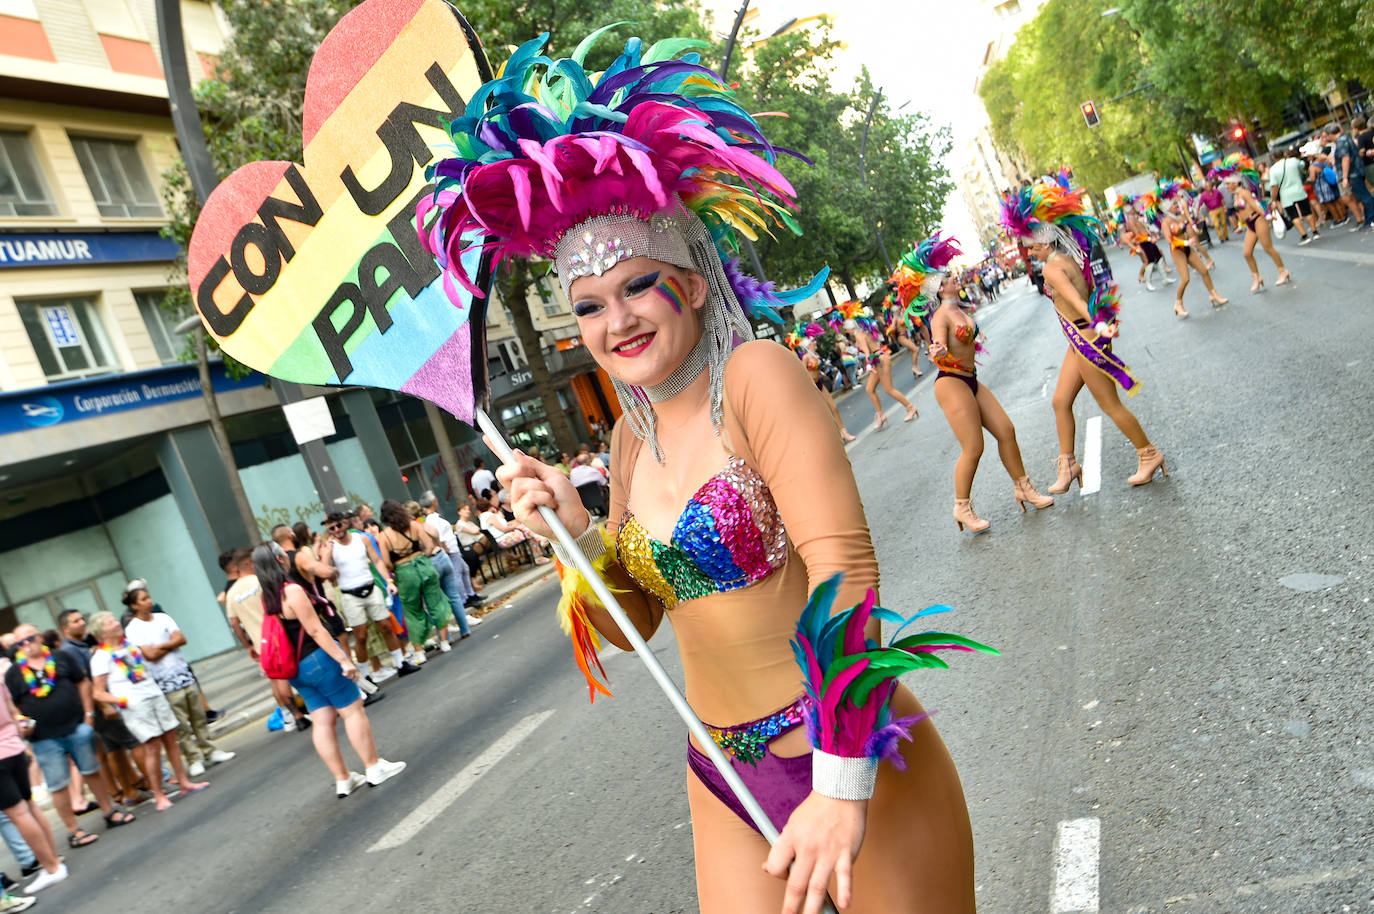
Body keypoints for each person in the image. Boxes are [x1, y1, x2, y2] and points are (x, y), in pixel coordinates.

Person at [422, 32, 995, 913]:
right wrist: (575, 537)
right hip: (720, 769)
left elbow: (846, 569)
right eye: (588, 306)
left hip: (844, 751)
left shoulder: (757, 376)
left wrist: (842, 783)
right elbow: (637, 626)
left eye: (636, 287)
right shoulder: (629, 438)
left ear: (690, 285)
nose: (616, 322)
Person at [1001, 182, 1166, 490]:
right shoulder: (1070, 259)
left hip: (1087, 338)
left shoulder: (1051, 268)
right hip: (1081, 338)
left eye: (1033, 247)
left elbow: (1077, 300)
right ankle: (1068, 465)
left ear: (1046, 242)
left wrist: (1098, 325)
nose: (1030, 253)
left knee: (1110, 404)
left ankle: (1149, 453)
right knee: (1060, 401)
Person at [892, 234, 1053, 532]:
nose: (955, 278)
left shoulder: (958, 308)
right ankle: (962, 507)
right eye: (949, 278)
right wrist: (938, 350)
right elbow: (938, 343)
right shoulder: (941, 315)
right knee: (973, 447)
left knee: (1006, 430)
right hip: (951, 382)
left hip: (970, 379)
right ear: (940, 288)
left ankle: (1023, 488)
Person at [250, 545, 405, 798]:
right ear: (279, 559)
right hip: (319, 660)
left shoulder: (268, 597)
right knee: (352, 712)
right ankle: (373, 767)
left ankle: (343, 779)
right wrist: (343, 659)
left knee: (322, 721)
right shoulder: (292, 591)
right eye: (284, 556)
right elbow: (315, 630)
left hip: (296, 670)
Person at [6, 624, 134, 852]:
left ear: (40, 637)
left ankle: (109, 812)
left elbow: (83, 683)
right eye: (20, 643)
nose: (26, 645)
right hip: (43, 737)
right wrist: (21, 722)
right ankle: (74, 830)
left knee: (91, 770)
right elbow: (12, 705)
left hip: (76, 727)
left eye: (30, 638)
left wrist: (89, 716)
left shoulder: (61, 657)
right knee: (58, 785)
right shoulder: (14, 673)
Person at [88, 612, 208, 812]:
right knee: (152, 746)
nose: (116, 623)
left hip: (154, 694)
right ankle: (159, 795)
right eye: (110, 623)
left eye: (114, 620)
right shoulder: (101, 657)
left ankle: (184, 782)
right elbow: (98, 692)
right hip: (135, 704)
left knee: (171, 739)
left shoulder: (130, 646)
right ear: (101, 633)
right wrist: (121, 701)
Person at [121, 588, 233, 778]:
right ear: (134, 605)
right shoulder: (133, 628)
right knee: (181, 725)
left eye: (148, 597)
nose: (149, 601)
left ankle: (209, 750)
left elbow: (181, 639)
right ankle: (193, 759)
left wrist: (160, 646)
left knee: (198, 716)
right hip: (164, 682)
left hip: (184, 674)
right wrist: (170, 644)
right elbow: (149, 655)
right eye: (144, 599)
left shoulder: (163, 618)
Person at [318, 512, 423, 674]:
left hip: (370, 587)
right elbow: (325, 575)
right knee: (361, 636)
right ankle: (366, 674)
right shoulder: (330, 548)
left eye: (339, 525)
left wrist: (388, 581)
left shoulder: (362, 539)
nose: (336, 530)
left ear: (346, 523)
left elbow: (377, 561)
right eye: (331, 528)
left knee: (386, 626)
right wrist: (326, 555)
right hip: (350, 595)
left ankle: (401, 663)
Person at [224, 549, 312, 732]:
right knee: (291, 673)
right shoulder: (260, 581)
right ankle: (303, 713)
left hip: (261, 643)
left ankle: (290, 716)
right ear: (249, 563)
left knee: (276, 679)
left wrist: (247, 645)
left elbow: (234, 624)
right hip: (279, 635)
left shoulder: (231, 594)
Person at [0, 683, 65, 895]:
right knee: (29, 806)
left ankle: (52, 867)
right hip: (14, 748)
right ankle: (53, 861)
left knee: (19, 814)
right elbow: (14, 712)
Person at [378, 499, 455, 654]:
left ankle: (419, 651)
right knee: (437, 603)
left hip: (404, 572)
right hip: (423, 566)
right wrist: (422, 556)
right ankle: (444, 642)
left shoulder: (384, 536)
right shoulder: (414, 526)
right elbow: (429, 545)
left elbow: (386, 562)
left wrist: (395, 569)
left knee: (412, 611)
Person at [1211, 153, 1292, 292]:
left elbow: (1255, 205)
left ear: (1236, 182)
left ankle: (1283, 271)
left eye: (1228, 183)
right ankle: (1257, 278)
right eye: (1226, 184)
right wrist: (1240, 225)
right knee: (1247, 253)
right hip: (1249, 225)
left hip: (1258, 220)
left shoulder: (1244, 192)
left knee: (1268, 248)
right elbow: (1240, 212)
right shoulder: (1236, 195)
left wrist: (1266, 216)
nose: (1226, 186)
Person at [415, 494, 483, 637]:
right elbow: (438, 537)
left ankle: (468, 600)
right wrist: (444, 550)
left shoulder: (430, 519)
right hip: (447, 552)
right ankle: (463, 612)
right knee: (452, 587)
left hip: (448, 552)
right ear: (433, 502)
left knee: (463, 572)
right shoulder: (430, 520)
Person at [841, 307, 918, 432]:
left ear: (850, 328)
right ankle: (880, 415)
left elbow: (867, 352)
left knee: (888, 389)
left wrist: (868, 365)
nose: (846, 331)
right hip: (878, 359)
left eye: (846, 329)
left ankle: (910, 407)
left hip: (880, 360)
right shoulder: (863, 332)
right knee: (870, 389)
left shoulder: (859, 335)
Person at [1159, 186, 1228, 317]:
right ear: (1168, 209)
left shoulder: (1179, 217)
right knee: (1185, 279)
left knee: (1204, 270)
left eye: (1176, 203)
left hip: (1188, 248)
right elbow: (1169, 240)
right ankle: (1178, 304)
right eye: (1174, 204)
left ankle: (1214, 294)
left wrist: (1192, 231)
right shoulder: (1165, 222)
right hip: (1178, 251)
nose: (1176, 205)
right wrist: (1185, 242)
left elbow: (1187, 226)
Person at [1328, 121, 1373, 230]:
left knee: (1364, 196)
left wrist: (1345, 177)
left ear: (1330, 134)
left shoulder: (1341, 141)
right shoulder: (1345, 138)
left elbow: (1345, 158)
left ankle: (1371, 218)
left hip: (1352, 173)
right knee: (1363, 196)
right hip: (1356, 171)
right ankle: (1369, 219)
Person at [1269, 147, 1319, 244]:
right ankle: (1315, 231)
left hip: (1286, 195)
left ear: (1274, 157)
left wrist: (1273, 200)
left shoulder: (1273, 169)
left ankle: (1304, 235)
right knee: (1307, 212)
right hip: (1299, 190)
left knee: (1294, 216)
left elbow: (1274, 186)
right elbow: (1302, 167)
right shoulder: (1293, 161)